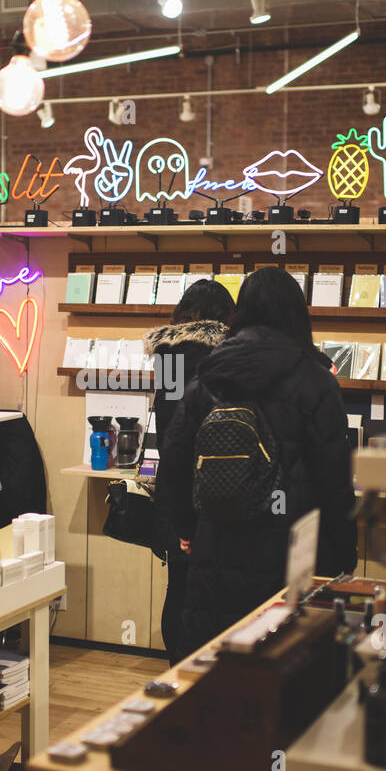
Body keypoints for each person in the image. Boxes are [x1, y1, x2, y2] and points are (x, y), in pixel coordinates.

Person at [156, 267, 357, 658]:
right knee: (287, 677)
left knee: (218, 680)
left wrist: (186, 527)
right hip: (295, 556)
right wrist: (344, 553)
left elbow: (175, 459)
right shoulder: (317, 382)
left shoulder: (209, 378)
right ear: (298, 314)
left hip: (217, 549)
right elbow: (335, 479)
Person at [142, 280, 235, 665]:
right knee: (215, 591)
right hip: (214, 488)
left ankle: (176, 667)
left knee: (177, 585)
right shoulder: (223, 357)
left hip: (173, 484)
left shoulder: (168, 357)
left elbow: (169, 428)